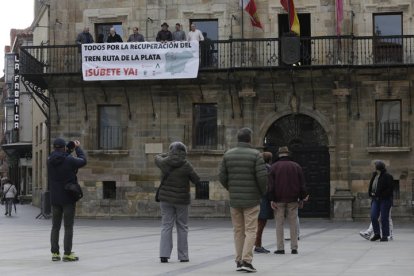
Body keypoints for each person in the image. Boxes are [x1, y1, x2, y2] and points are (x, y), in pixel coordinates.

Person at [219, 127, 268, 272]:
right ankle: (247, 261)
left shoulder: (228, 154)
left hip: (235, 200)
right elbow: (262, 178)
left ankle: (239, 260)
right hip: (252, 200)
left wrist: (231, 189)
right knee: (251, 230)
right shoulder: (256, 155)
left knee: (238, 231)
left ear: (238, 139)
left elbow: (222, 176)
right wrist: (261, 192)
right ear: (249, 139)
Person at [155, 142, 200, 263]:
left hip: (165, 199)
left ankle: (164, 255)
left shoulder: (163, 162)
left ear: (171, 151)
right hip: (181, 200)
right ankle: (183, 256)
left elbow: (157, 157)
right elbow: (196, 179)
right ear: (184, 152)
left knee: (166, 226)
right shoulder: (186, 165)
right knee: (182, 227)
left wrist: (168, 154)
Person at [48, 138, 87, 262]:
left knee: (55, 226)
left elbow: (61, 158)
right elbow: (83, 161)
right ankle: (67, 253)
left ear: (54, 148)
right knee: (68, 226)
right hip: (68, 197)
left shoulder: (49, 160)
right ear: (64, 147)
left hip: (55, 198)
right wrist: (77, 148)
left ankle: (55, 254)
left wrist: (68, 149)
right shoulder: (69, 160)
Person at [268, 146, 307, 255]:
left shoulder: (274, 167)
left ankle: (280, 248)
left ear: (279, 154)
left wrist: (272, 199)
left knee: (279, 224)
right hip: (293, 199)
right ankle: (294, 247)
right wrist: (302, 197)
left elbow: (270, 186)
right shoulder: (296, 166)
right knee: (293, 223)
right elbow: (302, 184)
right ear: (288, 154)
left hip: (278, 199)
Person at [368, 160, 393, 242]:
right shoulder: (374, 175)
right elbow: (372, 186)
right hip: (375, 199)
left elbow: (390, 189)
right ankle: (377, 234)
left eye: (374, 165)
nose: (373, 167)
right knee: (373, 216)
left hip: (384, 200)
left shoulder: (387, 176)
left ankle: (385, 235)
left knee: (384, 218)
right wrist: (371, 194)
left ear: (378, 167)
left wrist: (380, 194)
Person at [254, 152, 274, 254]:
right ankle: (257, 245)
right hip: (264, 199)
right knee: (261, 223)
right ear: (269, 160)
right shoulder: (268, 169)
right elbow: (269, 186)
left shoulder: (256, 168)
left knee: (256, 223)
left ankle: (255, 244)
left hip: (255, 198)